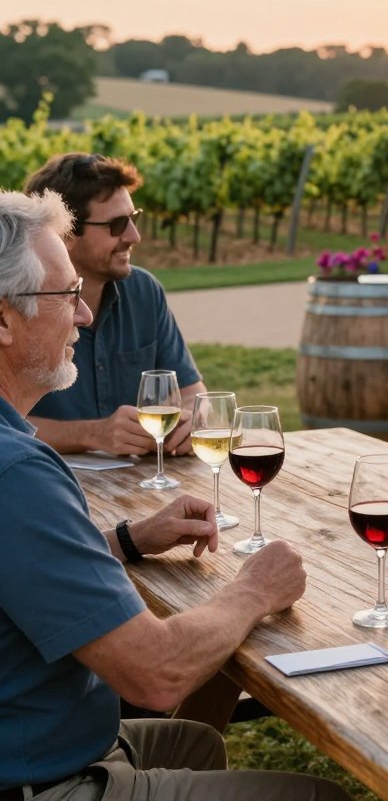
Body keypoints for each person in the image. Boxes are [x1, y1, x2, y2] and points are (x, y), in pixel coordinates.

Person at [0, 189, 347, 799]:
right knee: (321, 797)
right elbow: (156, 675)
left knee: (197, 741)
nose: (84, 315)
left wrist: (129, 539)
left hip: (39, 736)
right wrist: (254, 590)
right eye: (66, 296)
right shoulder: (16, 474)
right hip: (37, 777)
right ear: (4, 318)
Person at [24, 152, 206, 456]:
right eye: (118, 224)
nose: (134, 236)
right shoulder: (18, 306)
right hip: (45, 488)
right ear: (65, 232)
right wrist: (92, 434)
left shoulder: (145, 292)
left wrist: (188, 423)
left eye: (133, 219)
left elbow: (194, 396)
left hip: (140, 491)